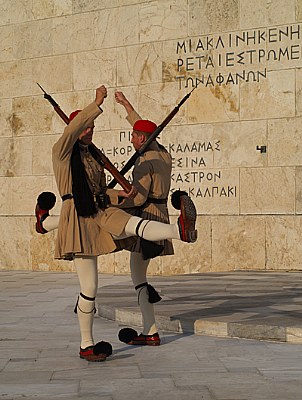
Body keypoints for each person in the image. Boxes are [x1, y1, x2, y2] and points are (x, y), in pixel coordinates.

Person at [35, 85, 197, 362]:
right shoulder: (62, 152)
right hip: (79, 216)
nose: (90, 131)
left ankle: (179, 230)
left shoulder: (93, 157)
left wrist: (118, 195)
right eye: (86, 128)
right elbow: (73, 132)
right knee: (91, 287)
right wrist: (97, 104)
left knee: (129, 223)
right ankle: (87, 343)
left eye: (92, 128)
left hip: (99, 210)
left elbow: (99, 191)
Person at [114, 91, 173, 346]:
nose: (131, 140)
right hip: (161, 212)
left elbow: (138, 198)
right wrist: (127, 106)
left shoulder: (143, 163)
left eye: (134, 137)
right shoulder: (163, 154)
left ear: (141, 139)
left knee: (138, 277)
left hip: (147, 216)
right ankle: (150, 330)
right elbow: (147, 130)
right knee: (140, 275)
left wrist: (114, 201)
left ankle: (150, 331)